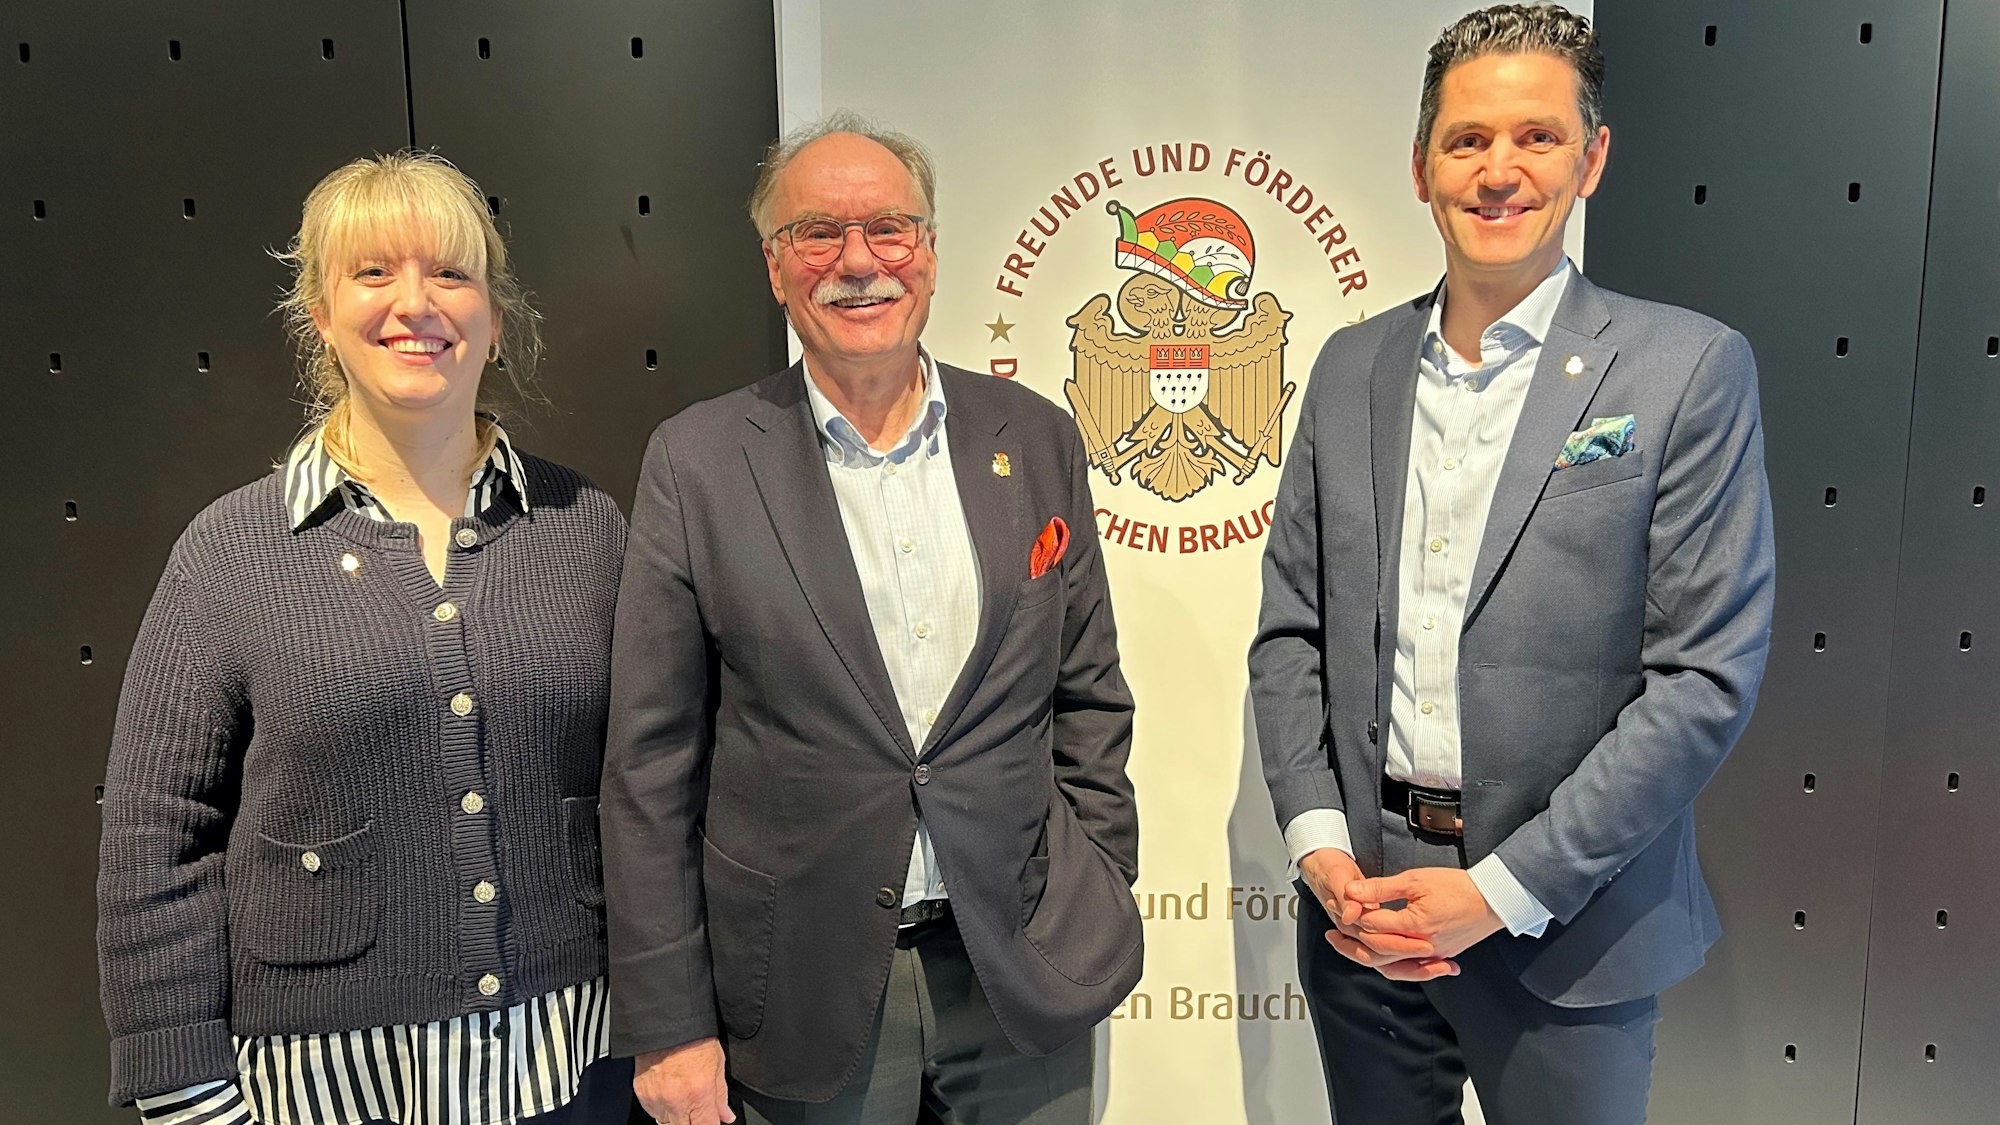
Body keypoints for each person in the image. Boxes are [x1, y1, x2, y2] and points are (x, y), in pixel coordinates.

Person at [1249, 6, 1775, 1122]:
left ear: (1590, 157)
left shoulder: (1685, 369)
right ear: (1418, 167)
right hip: (1364, 919)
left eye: (1534, 138)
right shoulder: (1349, 369)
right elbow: (1292, 631)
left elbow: (1699, 681)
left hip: (1571, 927)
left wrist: (1496, 893)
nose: (1497, 172)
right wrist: (1319, 851)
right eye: (1465, 140)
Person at [599, 111, 1142, 1125]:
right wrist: (669, 1020)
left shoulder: (1034, 438)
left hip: (1022, 973)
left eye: (889, 228)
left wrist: (1099, 881)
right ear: (774, 266)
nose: (858, 262)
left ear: (929, 253)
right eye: (818, 234)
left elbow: (1087, 695)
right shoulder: (699, 461)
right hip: (803, 994)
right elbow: (650, 767)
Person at [96, 151, 634, 1125]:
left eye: (451, 273)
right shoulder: (233, 549)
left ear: (495, 320)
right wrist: (182, 1086)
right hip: (325, 1090)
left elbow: (650, 786)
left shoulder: (583, 526)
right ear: (319, 315)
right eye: (373, 273)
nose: (414, 303)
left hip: (571, 1064)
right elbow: (155, 832)